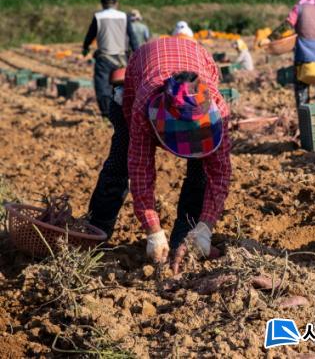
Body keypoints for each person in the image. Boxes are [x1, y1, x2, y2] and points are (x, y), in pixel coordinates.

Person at [87, 37, 231, 271]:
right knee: (120, 162)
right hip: (140, 74)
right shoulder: (143, 107)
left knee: (201, 172)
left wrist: (205, 226)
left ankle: (185, 242)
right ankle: (95, 234)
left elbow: (220, 174)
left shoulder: (219, 109)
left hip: (196, 57)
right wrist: (153, 230)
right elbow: (140, 170)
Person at [82, 0, 137, 118]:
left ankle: (106, 113)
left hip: (104, 59)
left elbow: (90, 35)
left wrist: (85, 47)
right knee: (124, 86)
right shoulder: (124, 16)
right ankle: (125, 111)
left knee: (102, 86)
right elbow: (132, 37)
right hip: (122, 59)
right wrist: (137, 52)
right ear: (116, 3)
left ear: (102, 4)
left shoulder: (98, 17)